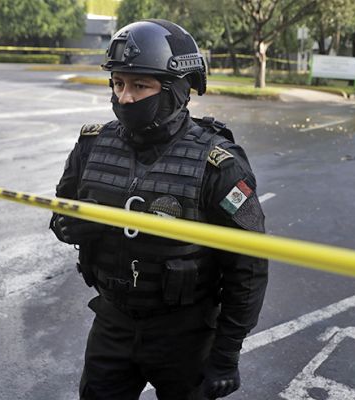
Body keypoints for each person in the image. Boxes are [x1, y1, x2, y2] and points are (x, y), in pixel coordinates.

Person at [50, 19, 268, 400]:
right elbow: (60, 211)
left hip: (186, 336)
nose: (125, 97)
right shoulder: (92, 145)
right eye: (118, 83)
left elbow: (247, 268)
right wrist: (67, 226)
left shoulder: (218, 164)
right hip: (112, 324)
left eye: (140, 85)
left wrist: (227, 353)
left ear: (175, 91)